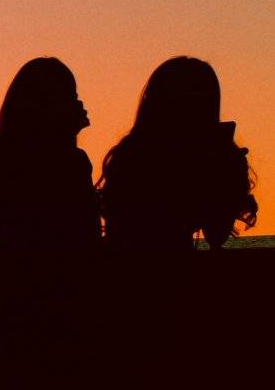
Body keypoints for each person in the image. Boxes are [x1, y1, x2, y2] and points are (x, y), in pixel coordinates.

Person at [100, 57, 256, 254]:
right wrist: (228, 173)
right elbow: (217, 234)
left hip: (123, 265)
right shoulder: (203, 159)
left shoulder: (129, 155)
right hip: (167, 265)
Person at [0, 58, 100, 257]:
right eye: (65, 97)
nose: (74, 104)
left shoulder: (74, 159)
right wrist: (65, 137)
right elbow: (36, 221)